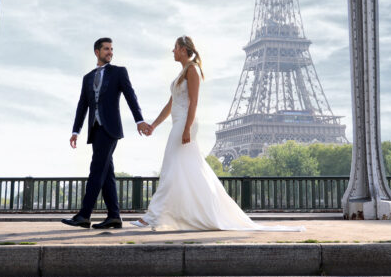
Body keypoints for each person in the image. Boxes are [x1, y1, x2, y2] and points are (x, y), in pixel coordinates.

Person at [130, 35, 304, 232]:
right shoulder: (182, 73)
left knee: (170, 170)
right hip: (178, 123)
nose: (172, 51)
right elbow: (170, 105)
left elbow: (194, 102)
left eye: (175, 47)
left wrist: (187, 128)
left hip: (185, 124)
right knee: (187, 170)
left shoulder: (192, 70)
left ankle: (152, 216)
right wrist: (153, 125)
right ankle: (201, 210)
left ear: (184, 49)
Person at [62, 37, 152, 229]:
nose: (110, 52)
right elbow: (82, 106)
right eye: (106, 49)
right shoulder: (87, 78)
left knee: (96, 170)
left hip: (110, 129)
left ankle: (84, 215)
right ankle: (114, 216)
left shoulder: (119, 72)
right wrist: (75, 131)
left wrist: (139, 120)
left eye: (111, 49)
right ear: (97, 52)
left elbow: (130, 96)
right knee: (106, 172)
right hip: (95, 130)